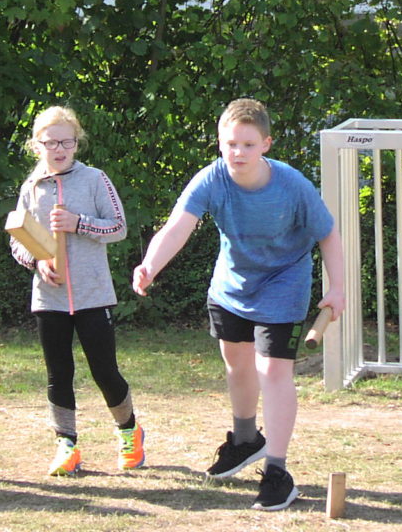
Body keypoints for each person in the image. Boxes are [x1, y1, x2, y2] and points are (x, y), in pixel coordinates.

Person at [132, 98, 345, 511]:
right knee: (237, 364)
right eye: (230, 144)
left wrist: (336, 288)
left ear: (266, 144)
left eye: (248, 145)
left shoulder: (292, 184)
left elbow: (328, 234)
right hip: (231, 286)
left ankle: (278, 472)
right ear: (219, 142)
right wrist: (150, 266)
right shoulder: (211, 179)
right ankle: (246, 440)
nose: (238, 153)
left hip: (283, 284)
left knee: (272, 371)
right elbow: (177, 227)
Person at [10, 105, 144, 476]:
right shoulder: (31, 188)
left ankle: (129, 431)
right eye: (50, 142)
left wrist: (78, 223)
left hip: (92, 295)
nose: (59, 149)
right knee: (58, 374)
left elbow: (118, 227)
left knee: (104, 371)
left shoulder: (95, 180)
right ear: (36, 145)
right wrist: (38, 262)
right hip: (49, 298)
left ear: (77, 142)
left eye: (66, 142)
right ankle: (66, 444)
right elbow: (17, 240)